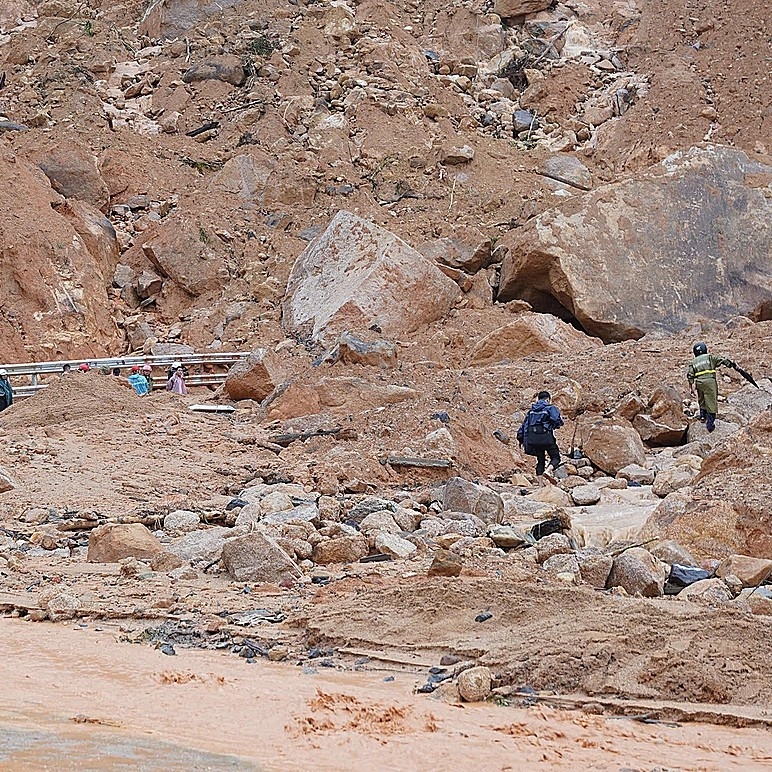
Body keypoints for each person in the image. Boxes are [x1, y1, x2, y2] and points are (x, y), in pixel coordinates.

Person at [517, 391, 564, 485]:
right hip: (546, 437)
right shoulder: (550, 408)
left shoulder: (531, 411)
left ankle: (540, 484)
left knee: (540, 460)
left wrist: (520, 438)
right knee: (555, 457)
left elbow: (524, 426)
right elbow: (556, 420)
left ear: (538, 399)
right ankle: (548, 471)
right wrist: (554, 425)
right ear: (548, 399)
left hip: (533, 439)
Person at [686, 342, 735, 432]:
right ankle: (710, 423)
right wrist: (731, 364)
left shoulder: (693, 362)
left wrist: (691, 387)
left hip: (699, 383)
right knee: (711, 400)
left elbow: (690, 375)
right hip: (710, 382)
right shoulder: (710, 357)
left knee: (702, 399)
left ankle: (702, 416)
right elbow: (722, 360)